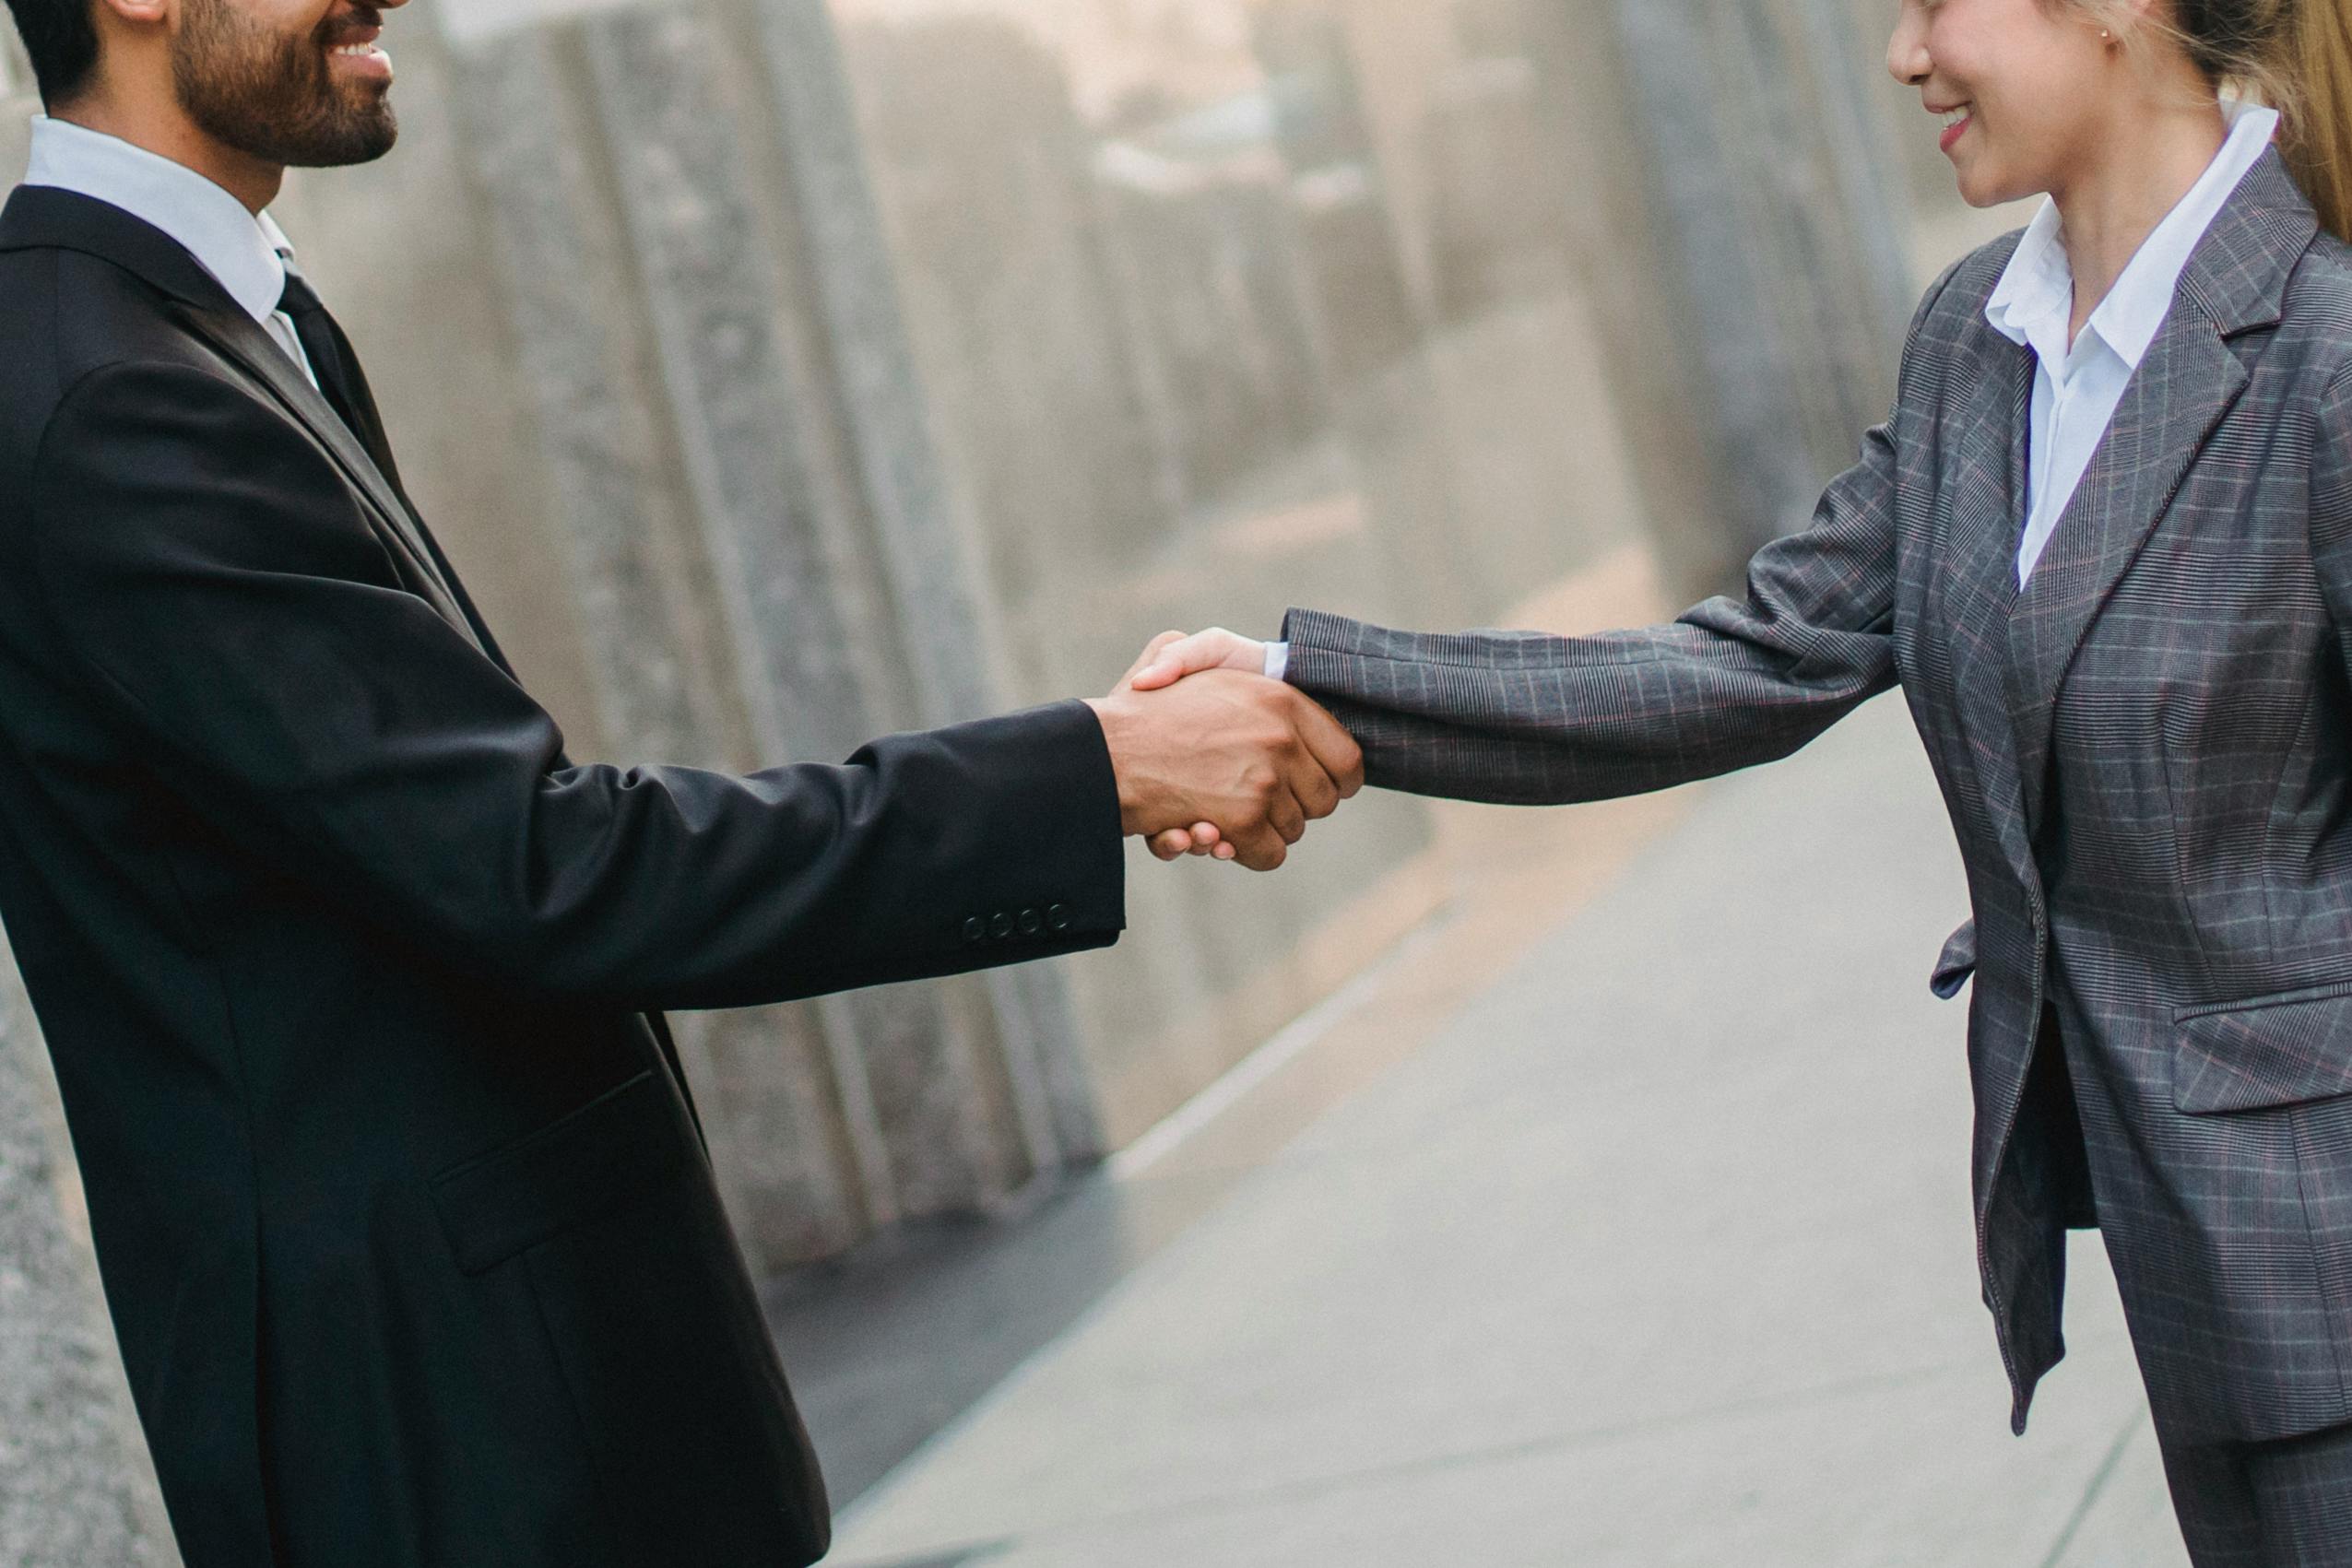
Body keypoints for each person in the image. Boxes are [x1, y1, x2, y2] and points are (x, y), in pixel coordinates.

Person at [0, 0, 1364, 1559]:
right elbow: (546, 870)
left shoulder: (183, 324)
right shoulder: (112, 393)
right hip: (453, 1453)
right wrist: (1091, 772)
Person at [1137, 0, 2352, 1559]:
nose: (1904, 55)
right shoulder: (1981, 343)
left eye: (1937, 3)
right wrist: (1302, 678)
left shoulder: (2323, 349)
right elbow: (1747, 658)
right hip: (2206, 1281)